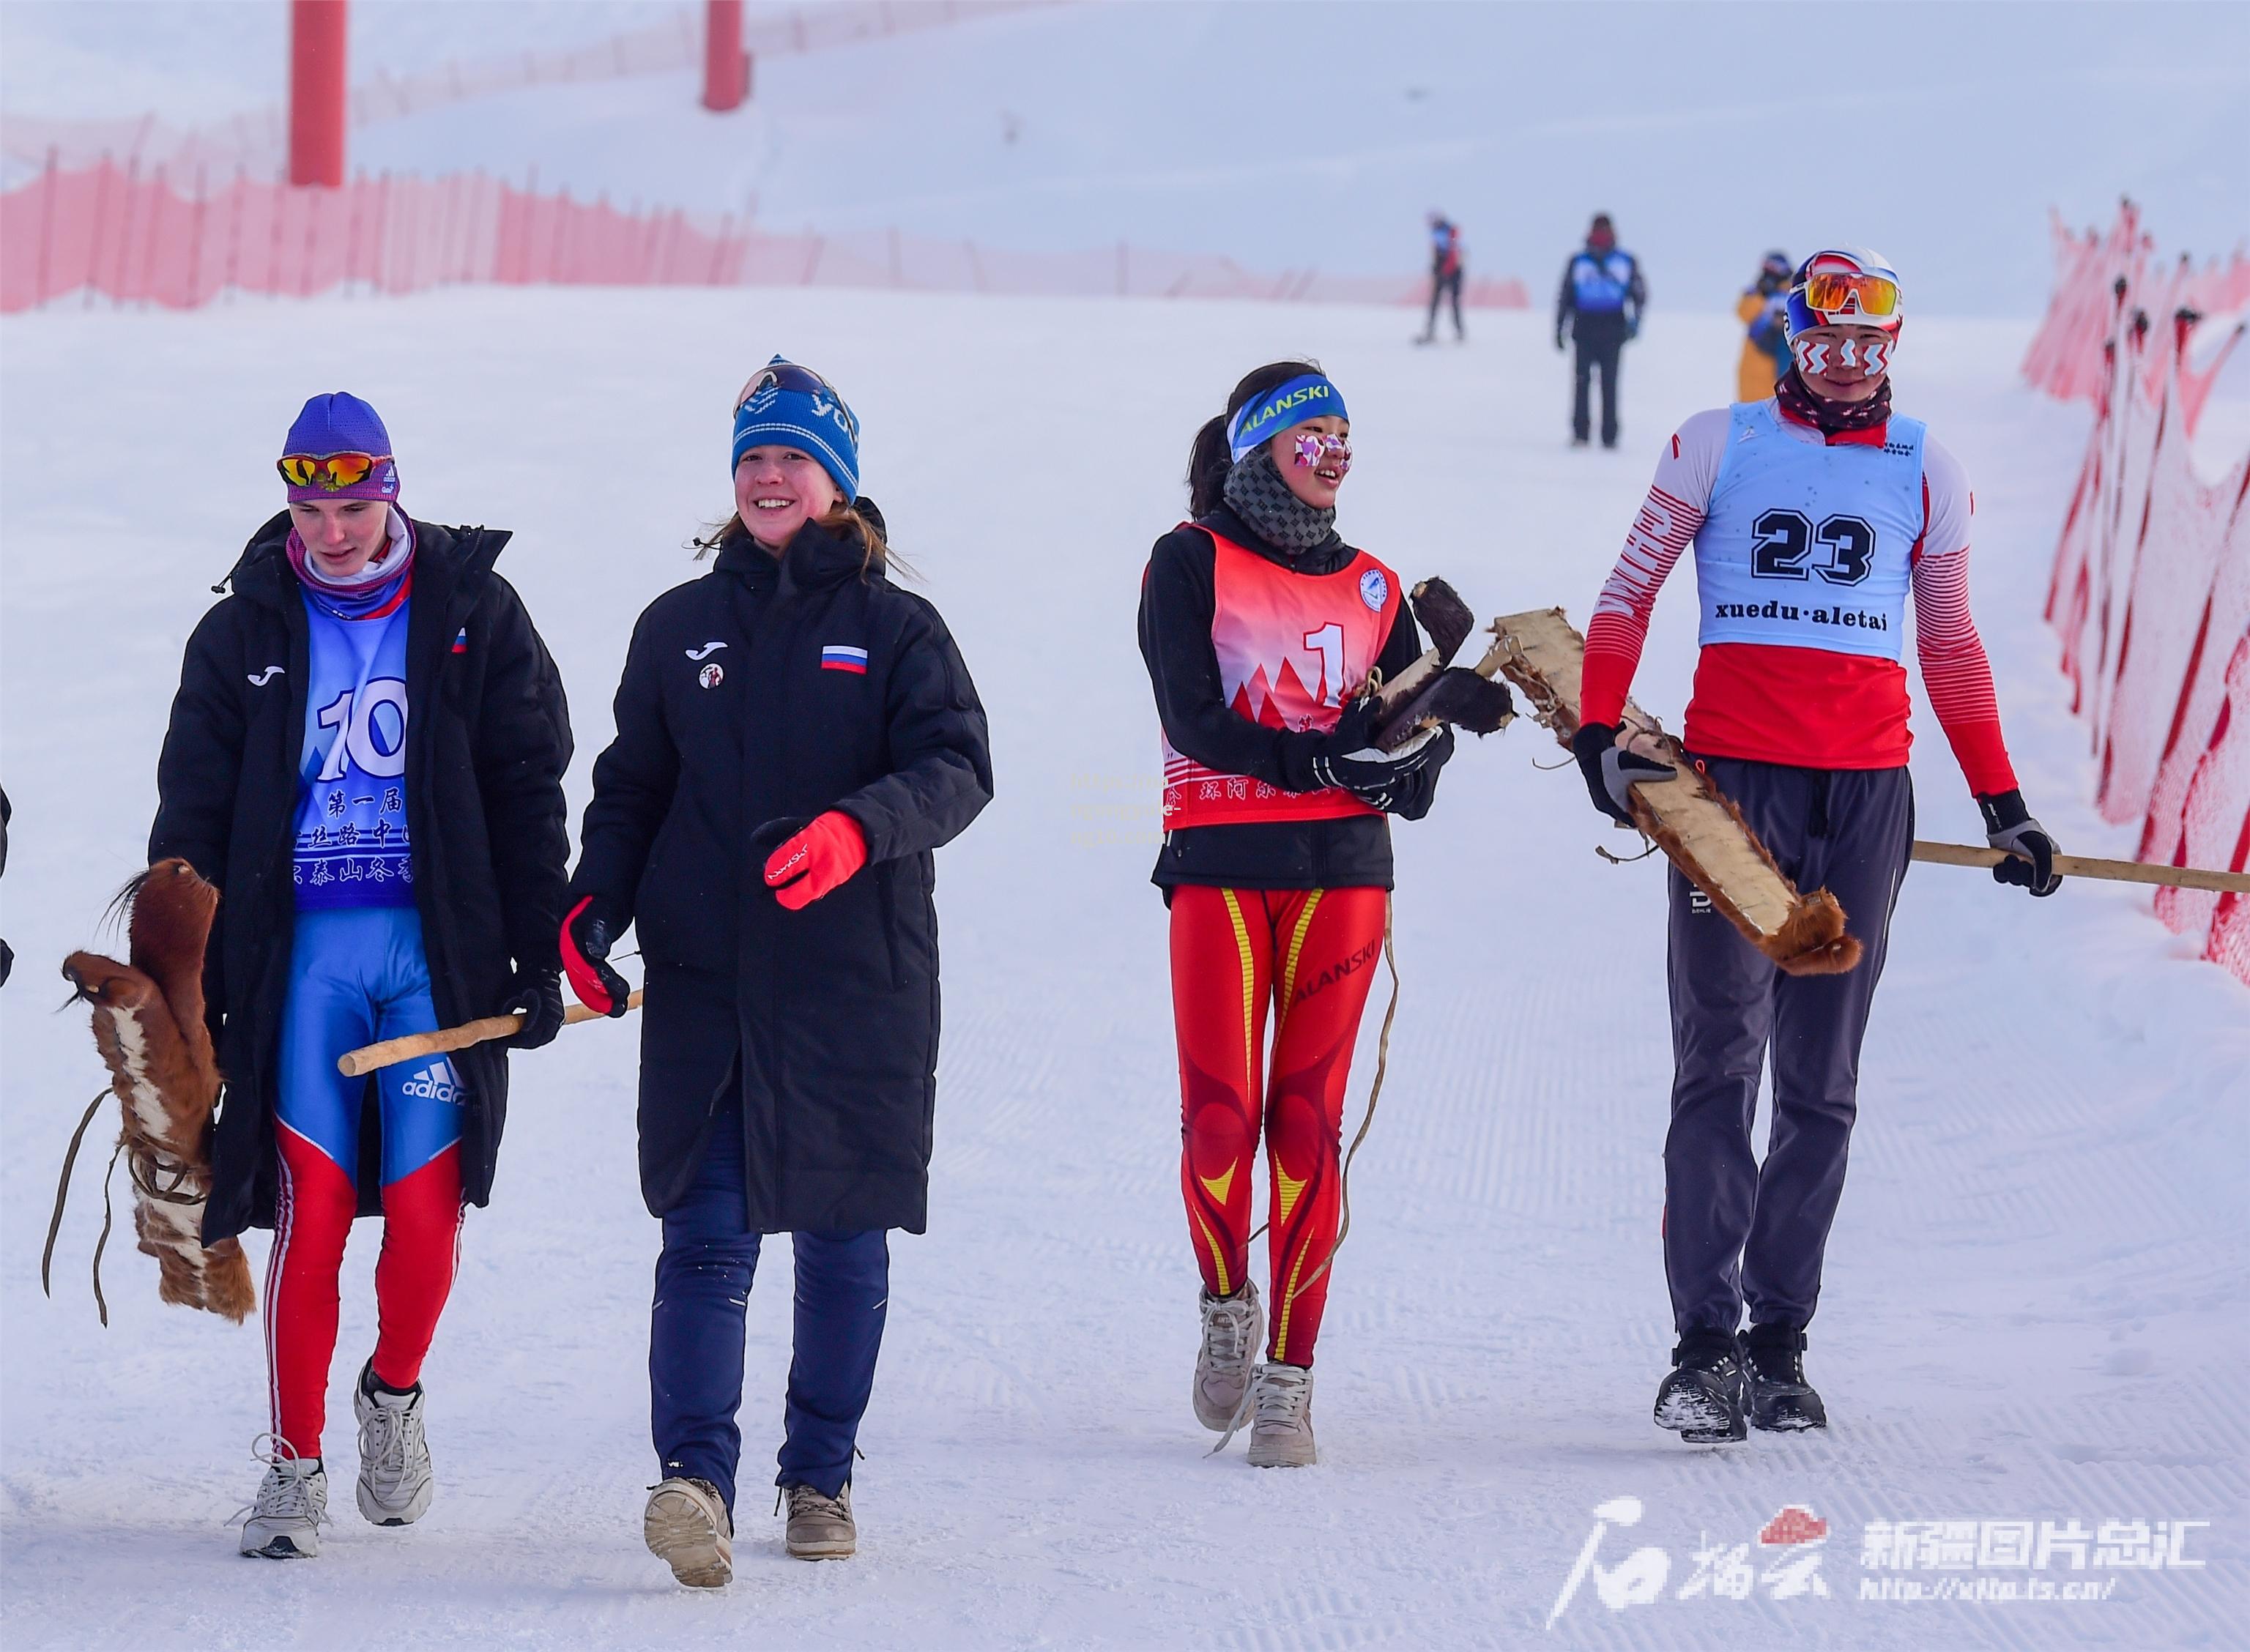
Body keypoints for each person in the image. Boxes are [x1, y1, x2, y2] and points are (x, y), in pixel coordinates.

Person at [1569, 249, 2062, 1444]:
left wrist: (2003, 803)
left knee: (1820, 1082)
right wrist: (1596, 731)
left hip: (1865, 798)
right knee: (1718, 1063)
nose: (1842, 360)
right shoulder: (1712, 441)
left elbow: (1945, 646)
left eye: (1865, 339)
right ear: (1792, 337)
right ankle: (1702, 1349)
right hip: (1732, 793)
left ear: (1891, 343)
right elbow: (1628, 591)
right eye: (1821, 338)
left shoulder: (1926, 467)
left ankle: (1779, 1344)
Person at [565, 359, 990, 1587]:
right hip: (707, 981)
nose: (767, 475)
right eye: (751, 457)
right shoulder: (676, 627)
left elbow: (957, 765)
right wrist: (590, 913)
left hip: (857, 982)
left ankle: (818, 1477)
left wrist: (859, 827)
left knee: (844, 1240)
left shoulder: (897, 629)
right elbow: (631, 790)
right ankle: (692, 1479)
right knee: (703, 1237)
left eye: (792, 458)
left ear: (836, 482)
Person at [149, 392, 573, 1558]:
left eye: (352, 504)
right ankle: (292, 1466)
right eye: (309, 507)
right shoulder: (242, 630)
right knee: (313, 1211)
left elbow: (531, 789)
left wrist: (538, 952)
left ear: (390, 492)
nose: (331, 532)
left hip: (432, 958)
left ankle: (391, 1397)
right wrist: (176, 981)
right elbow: (186, 812)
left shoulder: (475, 612)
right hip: (304, 966)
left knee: (430, 1215)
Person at [1138, 361, 1458, 1467]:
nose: (1335, 450)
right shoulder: (1189, 562)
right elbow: (1194, 714)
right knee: (1223, 1118)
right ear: (1261, 445)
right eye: (1313, 430)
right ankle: (1226, 1299)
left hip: (1343, 873)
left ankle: (1290, 1374)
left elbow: (1414, 724)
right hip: (1221, 861)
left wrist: (1416, 763)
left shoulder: (1377, 585)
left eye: (1345, 432)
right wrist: (1324, 755)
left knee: (1307, 1126)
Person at [1555, 212, 1646, 448]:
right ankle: (1580, 433)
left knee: (1610, 384)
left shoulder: (1624, 261)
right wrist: (1560, 327)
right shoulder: (1579, 261)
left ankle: (1609, 435)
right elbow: (1565, 296)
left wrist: (1635, 321)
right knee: (1581, 383)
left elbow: (1639, 293)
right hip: (1584, 326)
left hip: (1613, 327)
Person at [1735, 250, 1793, 402]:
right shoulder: (1756, 293)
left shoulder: (1793, 292)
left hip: (1784, 360)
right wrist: (1762, 294)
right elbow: (1744, 313)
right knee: (1751, 412)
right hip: (1756, 359)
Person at [1418, 212, 1466, 345]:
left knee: (1454, 302)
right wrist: (1435, 268)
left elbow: (1454, 254)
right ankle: (1431, 331)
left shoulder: (1451, 232)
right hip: (1443, 270)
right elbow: (1436, 251)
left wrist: (1444, 271)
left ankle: (1459, 332)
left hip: (1453, 271)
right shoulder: (1436, 232)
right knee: (1436, 302)